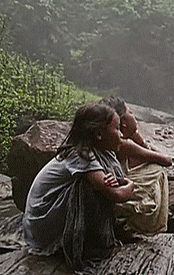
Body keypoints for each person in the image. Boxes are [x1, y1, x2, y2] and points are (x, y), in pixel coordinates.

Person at [22, 102, 135, 271]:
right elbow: (116, 195)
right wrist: (130, 185)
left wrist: (115, 183)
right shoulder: (80, 154)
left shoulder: (103, 151)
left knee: (98, 184)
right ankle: (81, 246)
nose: (121, 135)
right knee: (86, 187)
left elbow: (115, 185)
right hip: (42, 226)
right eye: (117, 129)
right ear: (98, 134)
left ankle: (92, 239)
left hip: (53, 217)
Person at [99, 96, 174, 238]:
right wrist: (141, 141)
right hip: (114, 198)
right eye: (132, 114)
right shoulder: (124, 144)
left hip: (110, 195)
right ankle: (147, 225)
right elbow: (166, 160)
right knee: (157, 170)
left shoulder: (113, 140)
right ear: (124, 123)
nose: (136, 118)